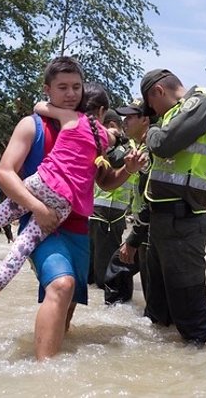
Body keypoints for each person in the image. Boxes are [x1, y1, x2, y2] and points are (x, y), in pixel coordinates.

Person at [0, 81, 125, 334]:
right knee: (19, 252)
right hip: (64, 202)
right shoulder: (104, 139)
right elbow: (107, 162)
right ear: (102, 111)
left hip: (41, 182)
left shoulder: (70, 117)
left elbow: (40, 106)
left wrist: (54, 104)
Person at [140, 68, 206, 347]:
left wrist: (147, 130)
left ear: (158, 92)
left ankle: (198, 376)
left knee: (192, 321)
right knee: (158, 313)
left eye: (151, 105)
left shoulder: (200, 103)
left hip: (184, 221)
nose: (152, 112)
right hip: (161, 222)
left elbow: (164, 144)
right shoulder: (171, 116)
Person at [104, 99, 153, 305]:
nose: (125, 122)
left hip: (149, 229)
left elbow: (152, 198)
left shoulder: (150, 150)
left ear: (145, 120)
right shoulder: (139, 147)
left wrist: (134, 239)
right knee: (118, 267)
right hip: (143, 226)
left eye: (131, 117)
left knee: (155, 294)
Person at [88, 109, 133, 288]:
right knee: (94, 274)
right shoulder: (105, 146)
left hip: (107, 214)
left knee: (97, 273)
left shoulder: (126, 147)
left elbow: (116, 160)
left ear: (111, 125)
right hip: (100, 213)